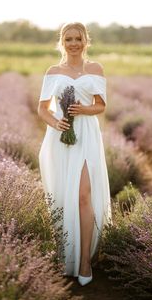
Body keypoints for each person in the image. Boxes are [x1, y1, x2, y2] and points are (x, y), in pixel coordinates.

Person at [37, 22, 112, 286]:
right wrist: (56, 123)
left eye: (78, 38)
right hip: (61, 137)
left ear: (85, 41)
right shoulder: (53, 72)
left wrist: (83, 110)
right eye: (68, 39)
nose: (73, 43)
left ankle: (84, 262)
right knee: (63, 196)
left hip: (87, 137)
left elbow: (101, 106)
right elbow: (43, 109)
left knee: (83, 196)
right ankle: (65, 256)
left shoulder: (95, 69)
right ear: (62, 42)